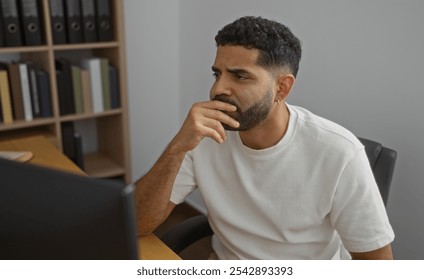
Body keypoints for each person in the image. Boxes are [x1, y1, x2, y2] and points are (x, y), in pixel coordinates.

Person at [135, 16, 395, 260]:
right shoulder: (203, 136)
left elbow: (376, 262)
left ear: (282, 88)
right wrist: (176, 148)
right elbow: (136, 222)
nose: (217, 89)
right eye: (217, 74)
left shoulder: (340, 152)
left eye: (239, 76)